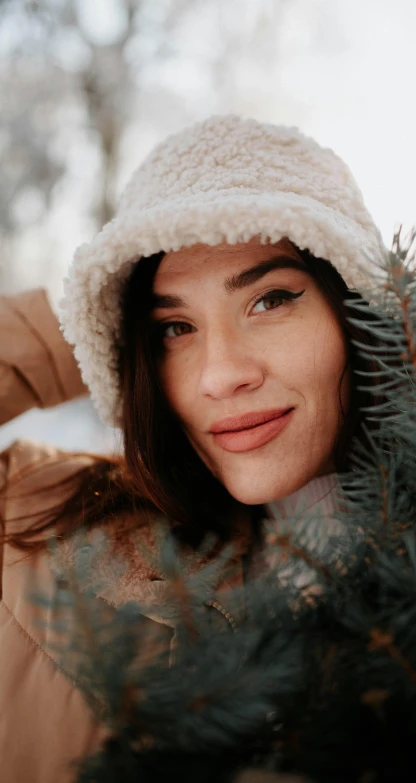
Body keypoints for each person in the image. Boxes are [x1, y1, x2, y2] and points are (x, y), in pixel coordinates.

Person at [0, 115, 388, 782]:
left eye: (270, 300)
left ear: (358, 312)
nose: (219, 374)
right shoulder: (38, 521)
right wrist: (96, 328)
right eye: (175, 327)